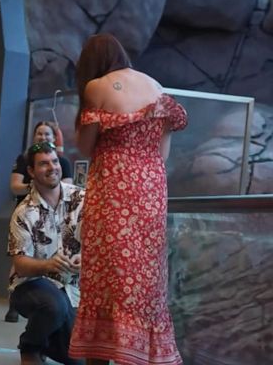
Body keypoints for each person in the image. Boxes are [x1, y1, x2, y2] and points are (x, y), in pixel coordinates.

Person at [68, 33, 188, 365]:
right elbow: (162, 153)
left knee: (109, 272)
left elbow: (86, 147)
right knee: (145, 275)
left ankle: (106, 351)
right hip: (151, 189)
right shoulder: (157, 87)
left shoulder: (97, 86)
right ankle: (142, 353)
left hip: (114, 187)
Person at [7, 141, 85, 365]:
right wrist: (48, 265)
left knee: (78, 360)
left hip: (73, 288)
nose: (52, 167)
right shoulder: (23, 212)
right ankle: (31, 346)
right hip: (31, 285)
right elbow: (20, 264)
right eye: (43, 164)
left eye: (54, 161)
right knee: (53, 306)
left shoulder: (83, 199)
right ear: (31, 172)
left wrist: (86, 257)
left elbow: (99, 239)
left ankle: (50, 342)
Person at [5, 121, 73, 323]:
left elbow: (64, 185)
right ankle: (15, 302)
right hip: (30, 219)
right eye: (40, 134)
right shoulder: (23, 160)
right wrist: (38, 189)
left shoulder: (66, 168)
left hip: (60, 221)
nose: (44, 137)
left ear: (54, 138)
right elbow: (15, 186)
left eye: (48, 134)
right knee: (24, 254)